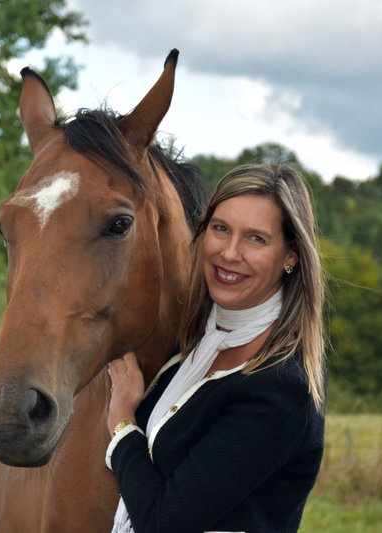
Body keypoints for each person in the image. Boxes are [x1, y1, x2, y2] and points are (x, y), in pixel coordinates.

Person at [106, 164, 326, 533]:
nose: (229, 252)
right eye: (221, 229)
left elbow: (164, 523)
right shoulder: (191, 347)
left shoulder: (281, 388)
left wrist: (122, 423)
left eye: (256, 238)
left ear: (291, 256)